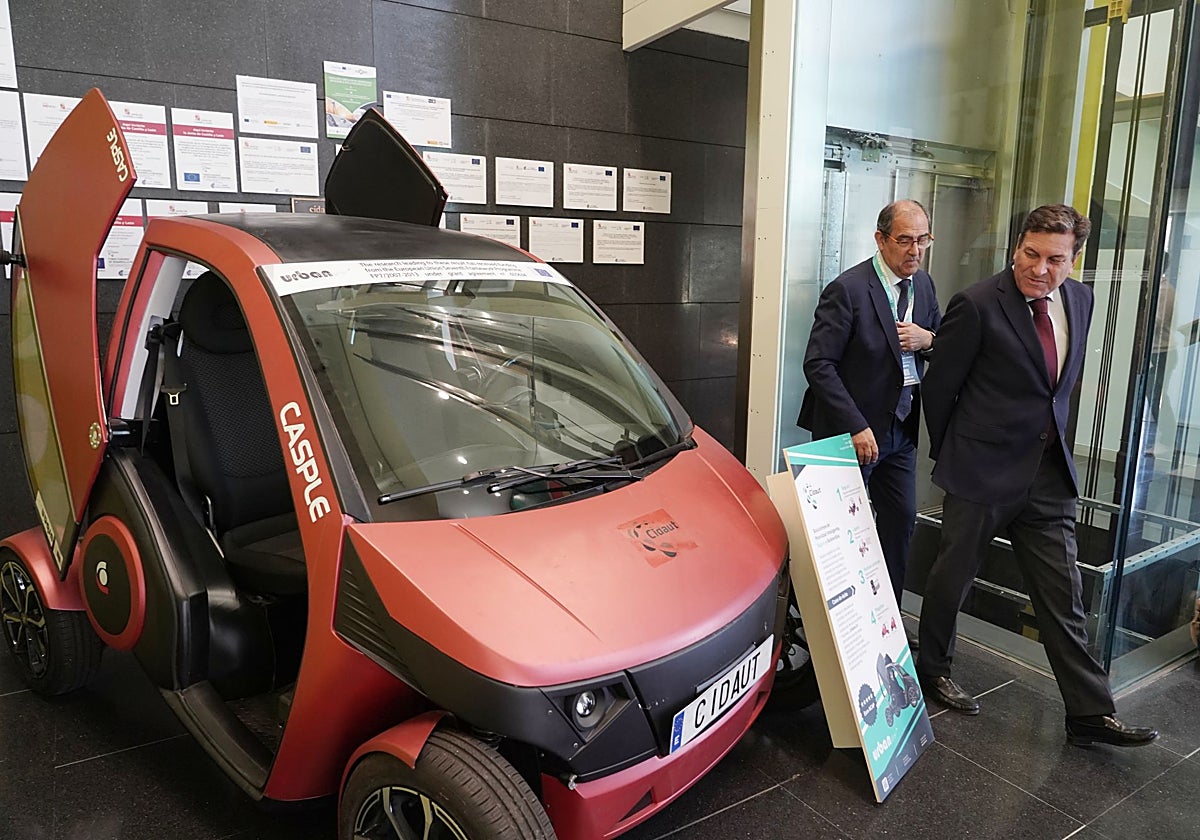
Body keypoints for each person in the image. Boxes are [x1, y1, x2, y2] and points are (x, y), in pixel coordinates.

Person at [917, 203, 1158, 748]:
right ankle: (932, 671)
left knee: (1063, 592)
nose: (1039, 268)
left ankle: (1089, 713)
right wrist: (960, 454)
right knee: (952, 577)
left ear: (1074, 260)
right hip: (980, 470)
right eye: (1030, 253)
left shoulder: (1081, 300)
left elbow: (1058, 388)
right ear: (1016, 247)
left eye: (1054, 258)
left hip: (1048, 475)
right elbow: (940, 388)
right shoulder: (977, 304)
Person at [799, 200, 941, 632]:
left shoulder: (925, 286)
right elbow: (819, 364)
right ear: (880, 240)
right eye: (904, 240)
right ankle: (836, 632)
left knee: (900, 526)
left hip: (900, 430)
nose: (915, 250)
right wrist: (855, 425)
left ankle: (887, 621)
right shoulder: (849, 289)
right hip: (851, 434)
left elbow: (941, 344)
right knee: (844, 536)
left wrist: (927, 339)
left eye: (923, 239)